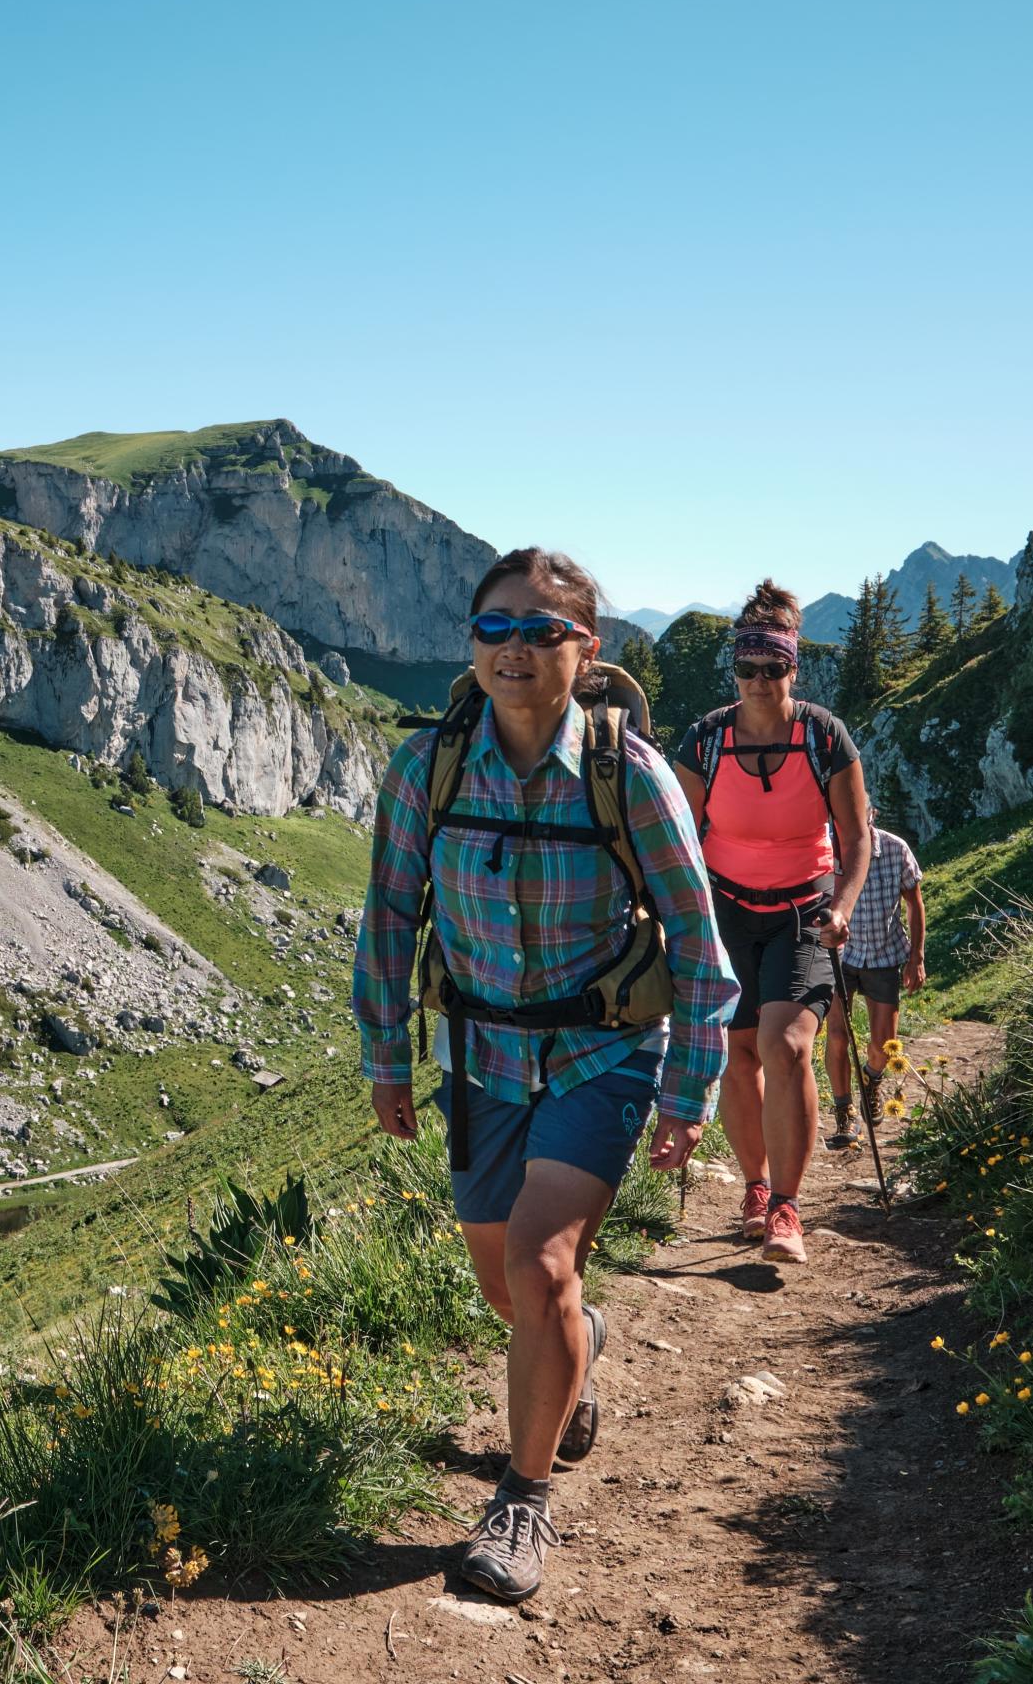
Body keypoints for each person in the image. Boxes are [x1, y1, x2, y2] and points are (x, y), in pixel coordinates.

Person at [356, 546, 738, 1605]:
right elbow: (390, 920)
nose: (513, 647)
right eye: (493, 627)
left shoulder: (633, 776)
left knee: (539, 1262)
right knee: (507, 1286)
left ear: (586, 647)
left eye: (539, 628)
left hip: (602, 1051)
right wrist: (389, 1054)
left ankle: (522, 1499)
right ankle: (574, 1343)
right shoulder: (424, 768)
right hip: (477, 1059)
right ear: (470, 644)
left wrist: (686, 1093)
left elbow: (702, 951)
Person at [667, 582, 872, 1267]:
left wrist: (841, 907)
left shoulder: (822, 736)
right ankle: (754, 1189)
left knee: (787, 1047)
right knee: (739, 1053)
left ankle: (787, 1205)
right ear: (735, 669)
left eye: (774, 667)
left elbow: (857, 835)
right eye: (747, 668)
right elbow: (670, 837)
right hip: (723, 909)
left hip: (802, 909)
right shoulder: (707, 739)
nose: (759, 681)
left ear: (793, 667)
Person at [825, 822, 924, 1147]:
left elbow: (914, 904)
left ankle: (871, 1077)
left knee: (885, 1046)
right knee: (838, 1035)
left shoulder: (895, 849)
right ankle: (845, 1114)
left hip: (884, 956)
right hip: (840, 954)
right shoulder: (825, 847)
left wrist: (916, 958)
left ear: (870, 817)